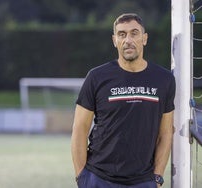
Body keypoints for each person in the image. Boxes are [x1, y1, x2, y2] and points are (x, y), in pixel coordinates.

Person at [71, 13, 175, 188]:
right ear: (114, 40)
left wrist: (157, 177)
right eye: (122, 34)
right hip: (98, 178)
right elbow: (80, 129)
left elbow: (165, 133)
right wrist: (82, 177)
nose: (128, 40)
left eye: (134, 33)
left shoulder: (164, 79)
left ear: (144, 38)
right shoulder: (97, 77)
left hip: (143, 181)